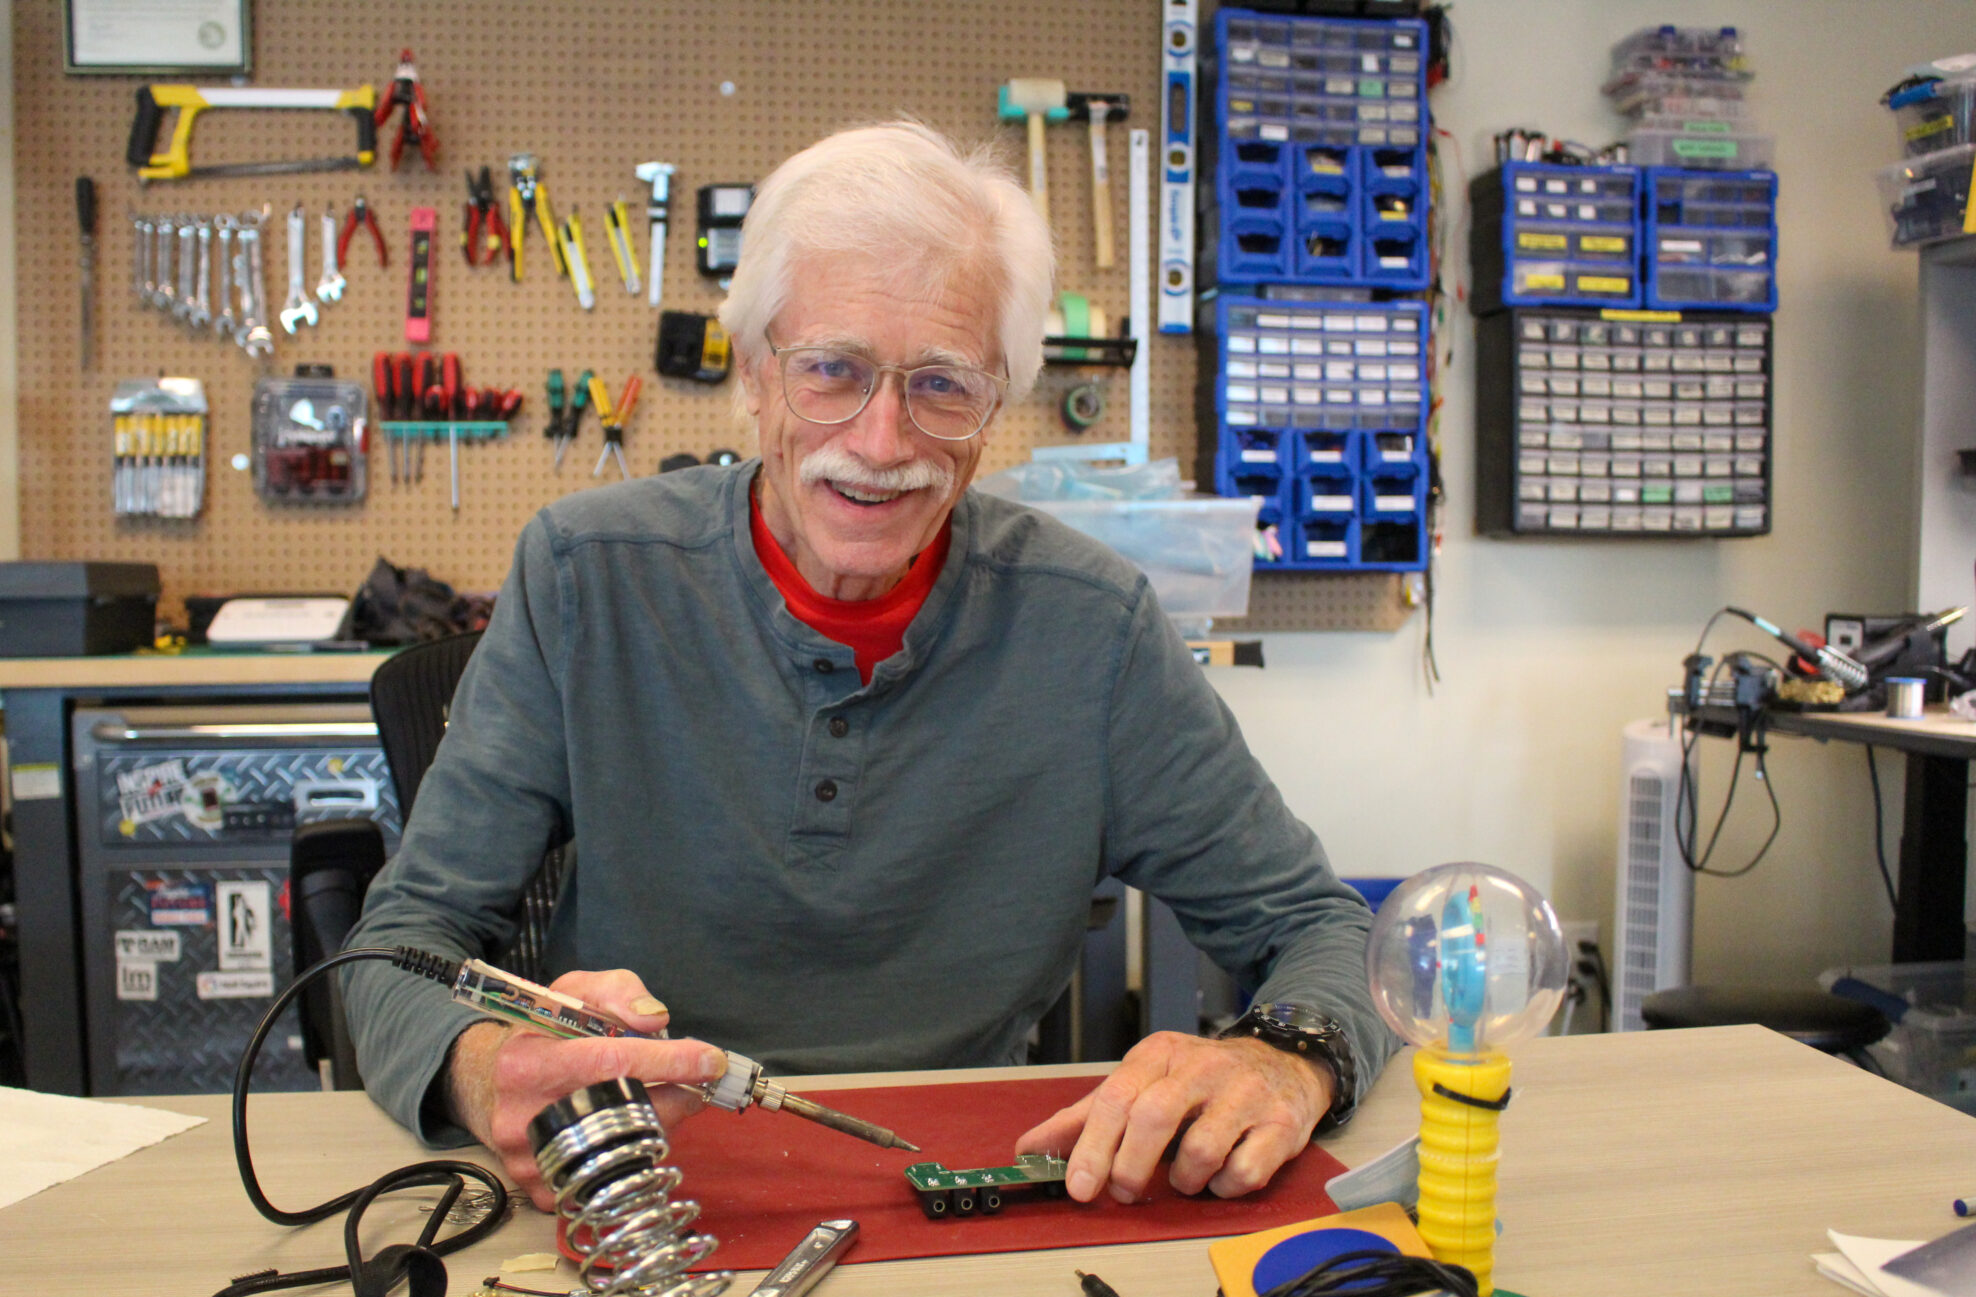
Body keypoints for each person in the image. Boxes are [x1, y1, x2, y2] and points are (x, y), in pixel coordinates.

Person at [342, 120, 1392, 1213]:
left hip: (959, 1181)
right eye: (831, 370)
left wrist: (1282, 1059)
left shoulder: (1094, 631)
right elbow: (395, 954)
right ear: (752, 374)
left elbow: (1320, 930)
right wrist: (484, 1074)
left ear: (994, 411)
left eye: (940, 385)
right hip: (629, 1186)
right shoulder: (584, 577)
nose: (881, 441)